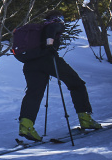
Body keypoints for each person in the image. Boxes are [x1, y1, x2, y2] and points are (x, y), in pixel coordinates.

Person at [18, 11, 102, 141]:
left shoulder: (36, 30)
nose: (63, 21)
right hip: (48, 60)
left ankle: (26, 126)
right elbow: (52, 29)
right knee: (76, 84)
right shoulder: (54, 24)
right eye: (62, 18)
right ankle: (86, 119)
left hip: (30, 64)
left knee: (34, 94)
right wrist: (50, 44)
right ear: (57, 18)